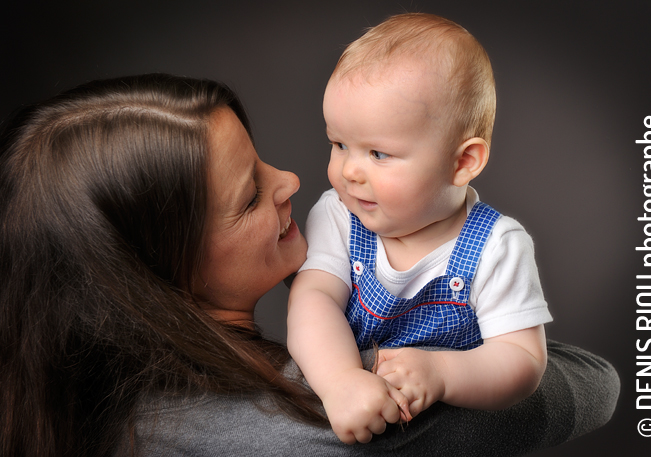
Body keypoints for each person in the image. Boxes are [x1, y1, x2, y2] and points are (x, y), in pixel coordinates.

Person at [0, 73, 618, 457]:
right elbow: (590, 385)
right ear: (154, 276)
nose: (293, 179)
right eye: (248, 196)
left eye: (262, 159)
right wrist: (412, 369)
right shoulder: (317, 423)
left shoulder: (114, 411)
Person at [287, 13, 553, 444]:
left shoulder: (496, 246)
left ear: (463, 162)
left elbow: (523, 360)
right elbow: (313, 300)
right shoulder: (339, 215)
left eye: (378, 153)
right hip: (353, 410)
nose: (349, 171)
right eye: (338, 144)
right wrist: (340, 381)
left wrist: (443, 373)